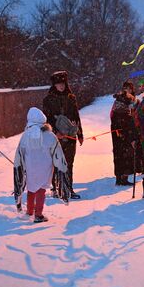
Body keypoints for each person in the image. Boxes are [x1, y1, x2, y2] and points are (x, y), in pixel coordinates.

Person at [13, 107, 68, 223]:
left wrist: (19, 165)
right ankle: (38, 214)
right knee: (41, 190)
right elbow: (57, 152)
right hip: (45, 168)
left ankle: (29, 211)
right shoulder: (50, 135)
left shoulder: (25, 136)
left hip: (30, 167)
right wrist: (62, 166)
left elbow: (20, 153)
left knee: (31, 189)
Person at [43, 71, 84, 199]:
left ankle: (68, 188)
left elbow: (76, 116)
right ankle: (56, 189)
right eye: (59, 84)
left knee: (69, 163)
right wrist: (55, 132)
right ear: (54, 85)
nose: (61, 86)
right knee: (56, 162)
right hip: (56, 137)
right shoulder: (48, 99)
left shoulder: (71, 98)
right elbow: (47, 118)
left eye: (63, 83)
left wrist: (80, 133)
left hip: (71, 135)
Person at [110, 80, 141, 186]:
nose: (127, 90)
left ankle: (122, 176)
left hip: (123, 129)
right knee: (124, 153)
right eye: (125, 88)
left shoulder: (133, 100)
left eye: (129, 88)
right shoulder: (123, 100)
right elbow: (115, 114)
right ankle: (121, 177)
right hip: (122, 130)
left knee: (124, 154)